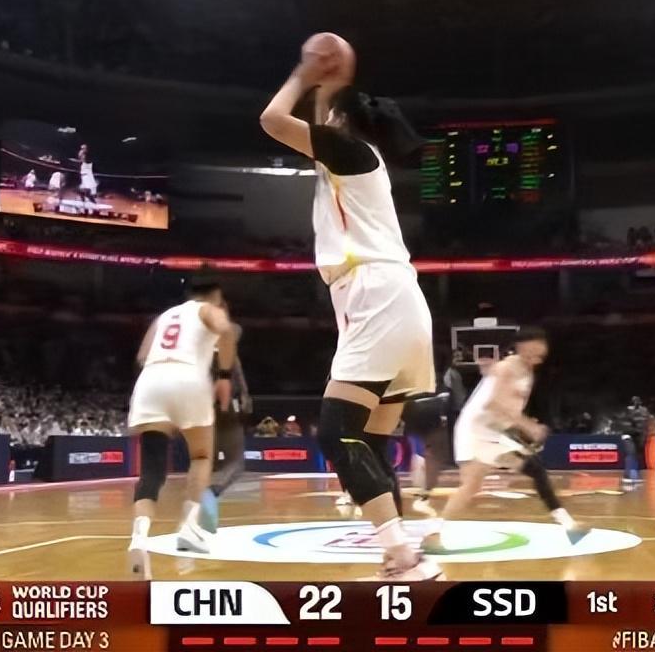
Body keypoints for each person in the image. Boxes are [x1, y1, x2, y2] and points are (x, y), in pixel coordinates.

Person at [260, 42, 439, 580]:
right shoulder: (355, 158)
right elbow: (320, 124)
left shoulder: (347, 149)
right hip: (396, 299)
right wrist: (327, 88)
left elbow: (272, 120)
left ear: (339, 121)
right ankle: (402, 558)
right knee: (373, 441)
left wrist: (303, 73)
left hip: (375, 296)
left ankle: (400, 552)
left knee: (336, 432)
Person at [422, 328, 588, 551]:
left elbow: (509, 411)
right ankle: (433, 533)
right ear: (521, 346)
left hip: (495, 431)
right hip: (476, 430)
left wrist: (518, 430)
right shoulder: (506, 368)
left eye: (540, 354)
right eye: (533, 350)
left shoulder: (527, 373)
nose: (537, 357)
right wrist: (528, 426)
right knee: (470, 486)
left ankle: (570, 526)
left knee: (535, 469)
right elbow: (494, 405)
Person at [126, 280, 237, 579]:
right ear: (215, 295)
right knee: (201, 456)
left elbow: (141, 356)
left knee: (151, 469)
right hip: (187, 376)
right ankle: (188, 528)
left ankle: (139, 537)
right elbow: (226, 330)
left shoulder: (165, 316)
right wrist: (224, 375)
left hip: (151, 378)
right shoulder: (208, 309)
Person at [198, 310, 251, 533]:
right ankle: (212, 492)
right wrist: (245, 395)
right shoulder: (226, 346)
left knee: (205, 463)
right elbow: (234, 371)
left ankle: (199, 517)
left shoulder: (196, 348)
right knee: (236, 463)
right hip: (224, 406)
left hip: (199, 408)